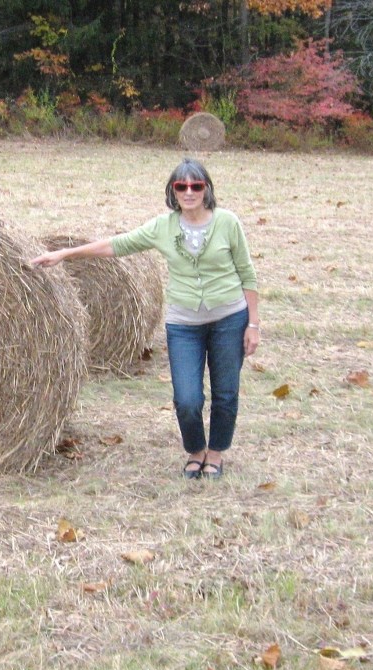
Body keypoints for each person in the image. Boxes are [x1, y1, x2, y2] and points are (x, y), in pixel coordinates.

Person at [30, 158, 260, 479]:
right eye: (182, 186)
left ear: (206, 189)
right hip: (184, 326)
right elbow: (116, 245)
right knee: (187, 398)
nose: (190, 191)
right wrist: (65, 254)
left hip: (229, 320)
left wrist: (253, 324)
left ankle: (216, 453)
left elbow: (247, 274)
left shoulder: (227, 222)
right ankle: (195, 451)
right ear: (173, 192)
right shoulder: (163, 227)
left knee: (225, 392)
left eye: (197, 185)